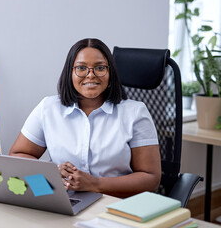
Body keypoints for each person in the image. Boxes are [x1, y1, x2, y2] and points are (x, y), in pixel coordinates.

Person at [9, 38, 161, 198]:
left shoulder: (135, 112)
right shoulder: (48, 108)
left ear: (110, 73)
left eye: (100, 68)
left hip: (114, 205)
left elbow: (151, 180)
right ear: (70, 72)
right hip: (62, 200)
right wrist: (51, 173)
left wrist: (95, 184)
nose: (91, 75)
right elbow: (18, 155)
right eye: (81, 68)